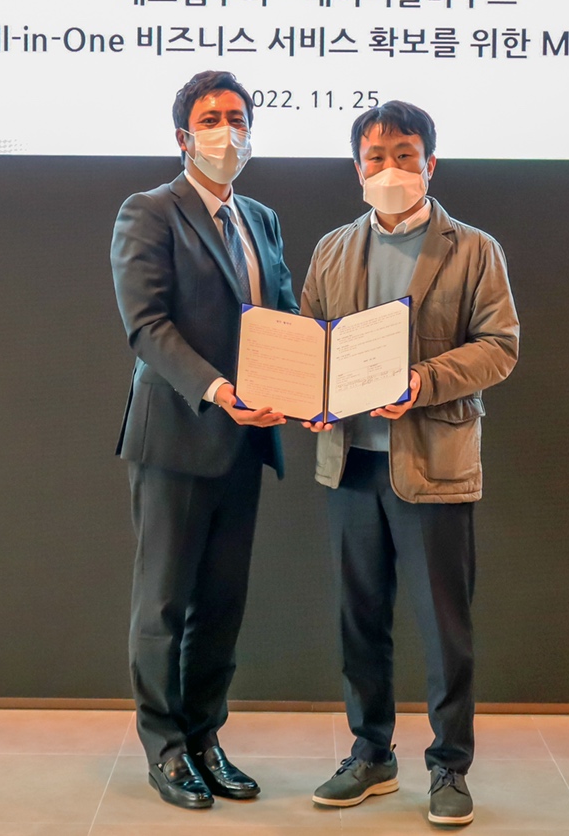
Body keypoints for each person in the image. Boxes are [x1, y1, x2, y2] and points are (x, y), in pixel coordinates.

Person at [300, 101, 519, 827]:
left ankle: (449, 766)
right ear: (356, 167)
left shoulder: (474, 249)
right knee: (359, 620)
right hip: (350, 463)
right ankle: (371, 753)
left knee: (443, 628)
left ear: (431, 163)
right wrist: (307, 396)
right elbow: (309, 343)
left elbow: (500, 347)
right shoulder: (333, 249)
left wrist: (421, 382)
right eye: (375, 156)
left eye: (404, 155)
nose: (389, 168)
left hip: (433, 466)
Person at [110, 70, 297, 810]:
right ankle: (164, 749)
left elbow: (282, 318)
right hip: (178, 436)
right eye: (212, 118)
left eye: (238, 117)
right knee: (165, 604)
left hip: (246, 443)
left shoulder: (262, 218)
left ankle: (205, 738)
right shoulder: (149, 211)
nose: (228, 130)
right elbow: (147, 326)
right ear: (183, 137)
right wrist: (220, 390)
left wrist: (309, 389)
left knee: (221, 605)